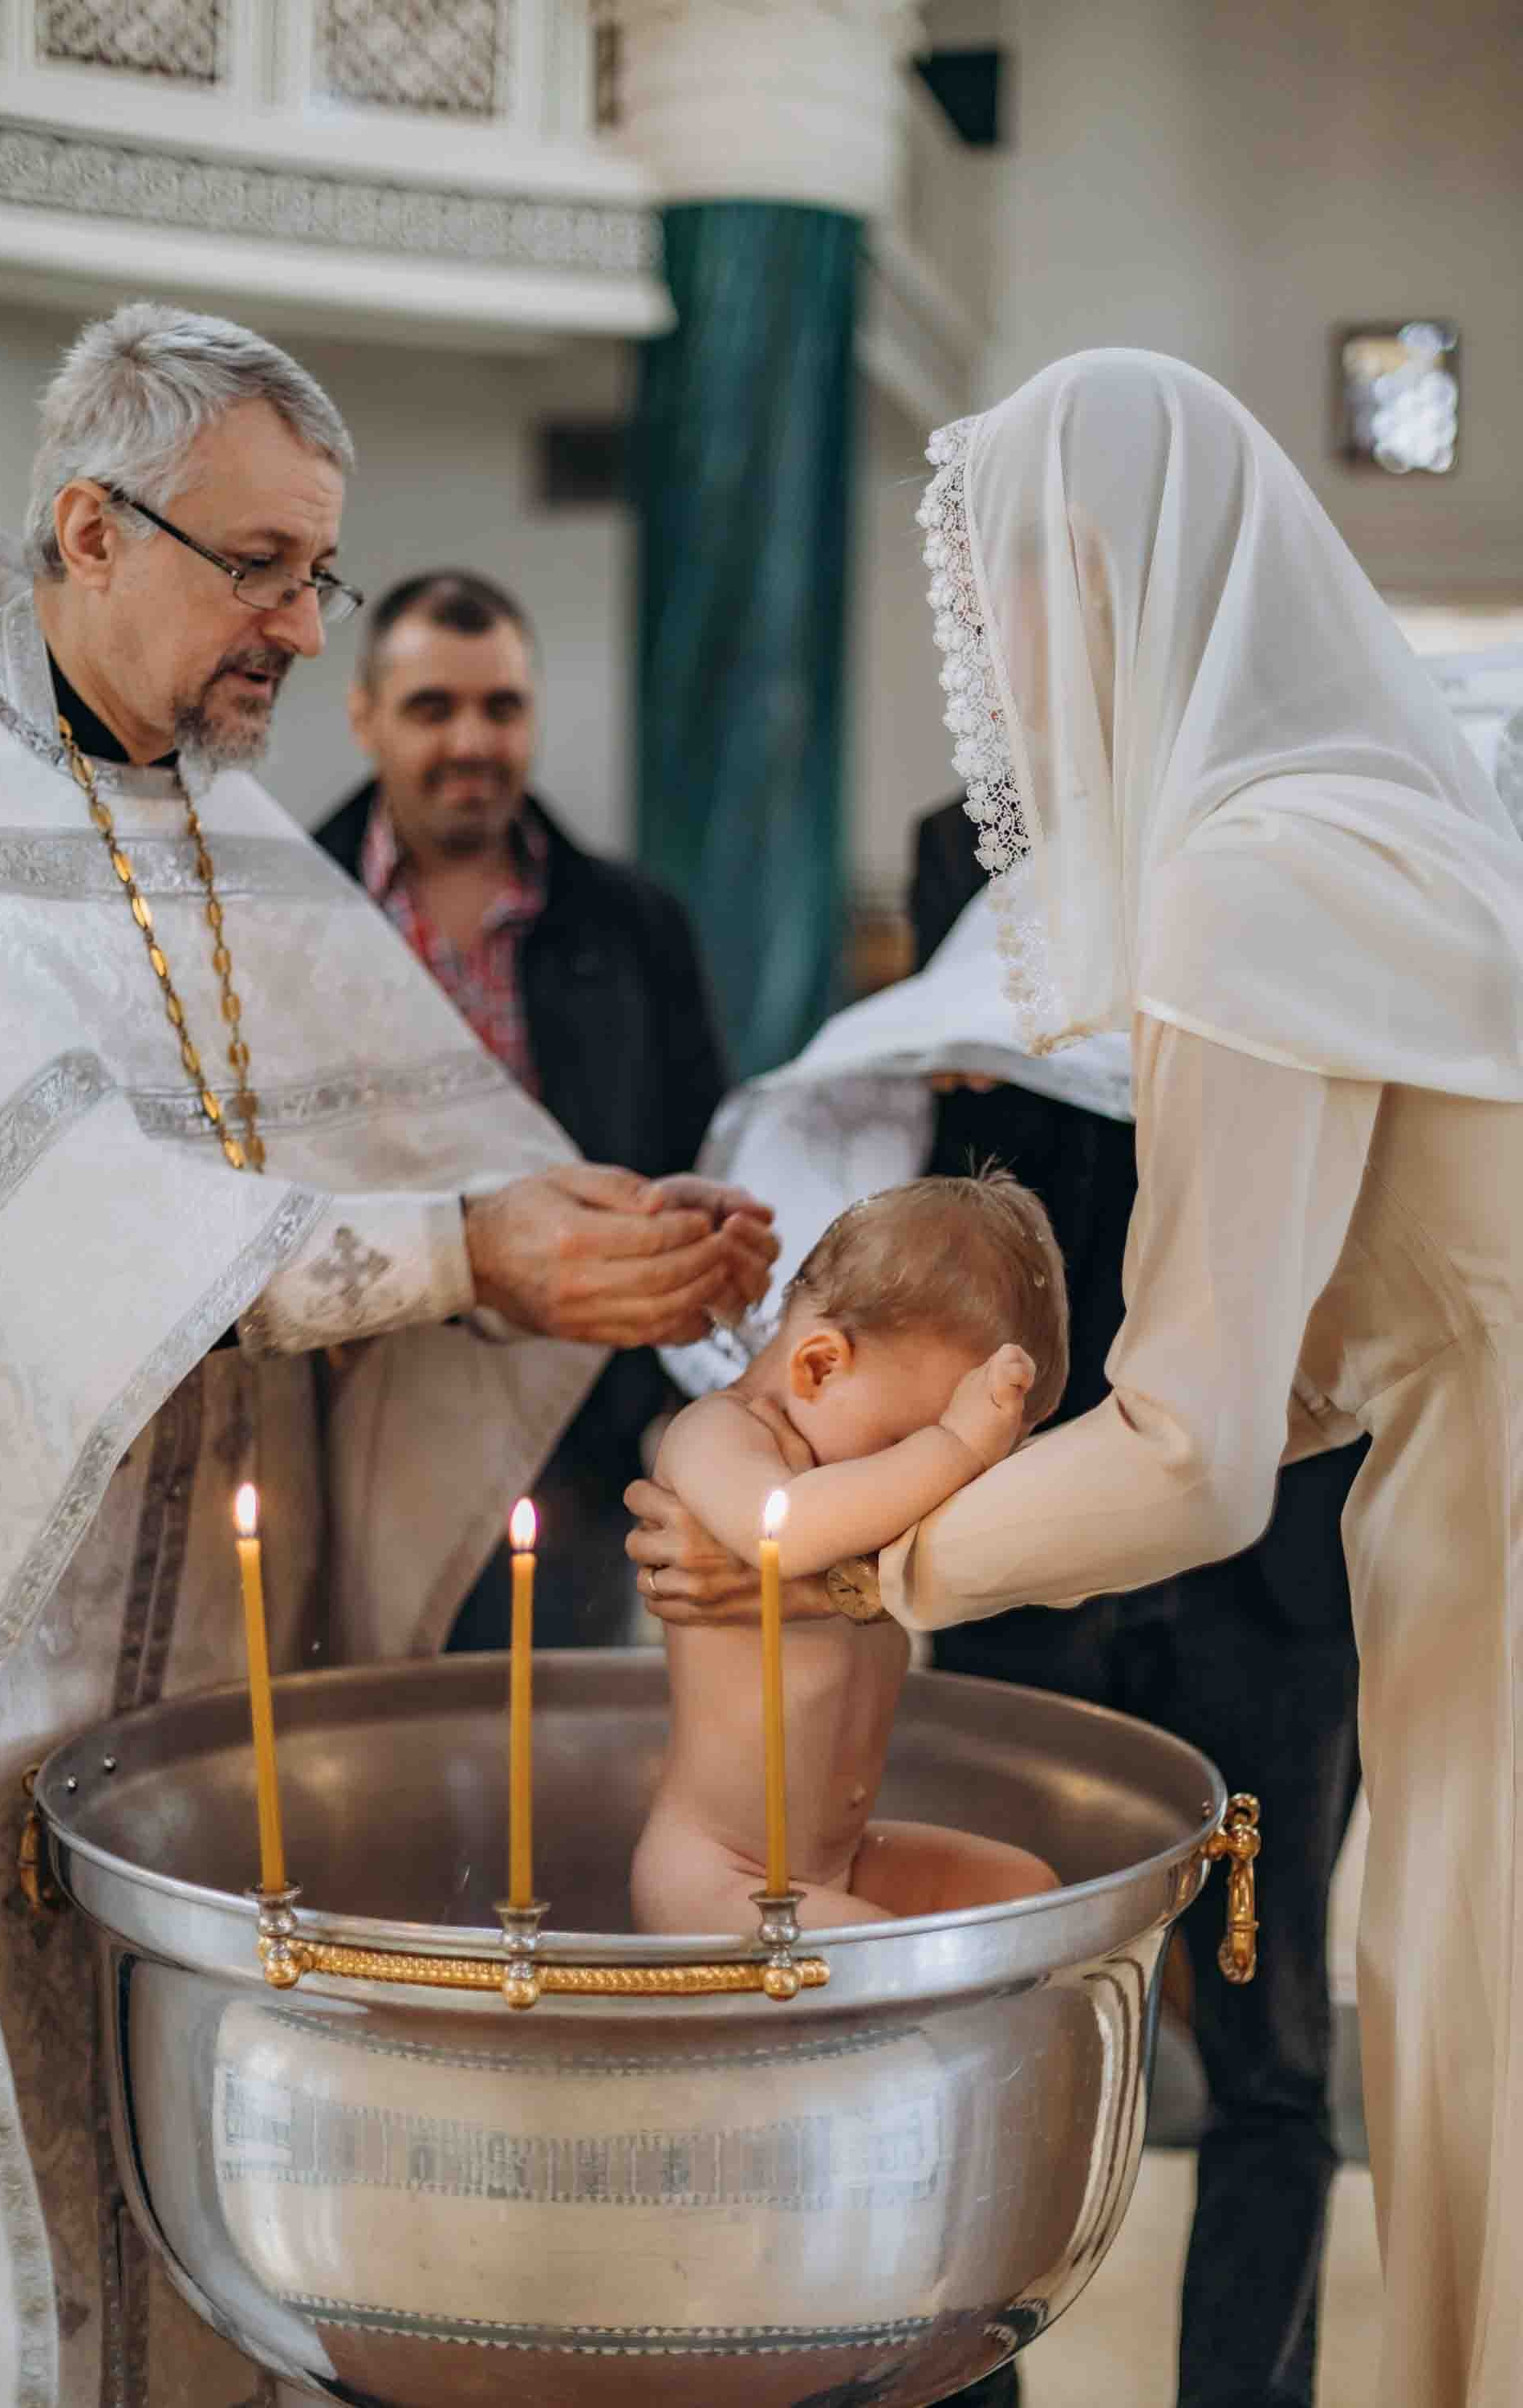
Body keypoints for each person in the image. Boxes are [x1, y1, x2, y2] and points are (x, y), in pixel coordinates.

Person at [628, 350, 1523, 2408]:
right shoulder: (1372, 812)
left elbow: (1203, 1457)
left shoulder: (1252, 866)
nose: (994, 656)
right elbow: (1315, 1347)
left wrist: (857, 1554)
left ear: (1114, 581)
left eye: (1001, 588)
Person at [0, 299, 774, 2408]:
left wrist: (560, 1229)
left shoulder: (235, 835)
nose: (307, 630)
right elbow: (43, 1230)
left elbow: (425, 1147)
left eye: (328, 573)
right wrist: (458, 1245)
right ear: (93, 534)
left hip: (226, 1681)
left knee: (215, 2216)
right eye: (261, 568)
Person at [913, 795, 1366, 2408]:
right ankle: (969, 2390)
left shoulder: (1305, 851)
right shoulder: (964, 844)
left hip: (1272, 1547)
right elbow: (963, 1233)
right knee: (987, 2026)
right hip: (1035, 1546)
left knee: (1271, 2056)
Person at [315, 570, 729, 1646]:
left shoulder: (636, 924)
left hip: (570, 1443)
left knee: (549, 1760)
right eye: (431, 707)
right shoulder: (290, 912)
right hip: (347, 1420)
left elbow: (696, 1150)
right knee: (345, 1766)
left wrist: (648, 1415)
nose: (471, 740)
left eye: (501, 707)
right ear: (364, 717)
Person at [633, 1176, 1063, 1934]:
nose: (928, 1482)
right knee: (881, 1955)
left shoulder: (853, 1458)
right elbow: (788, 1534)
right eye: (906, 1442)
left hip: (840, 1858)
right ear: (819, 1367)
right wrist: (954, 1444)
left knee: (1026, 1891)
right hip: (719, 1873)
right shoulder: (717, 1436)